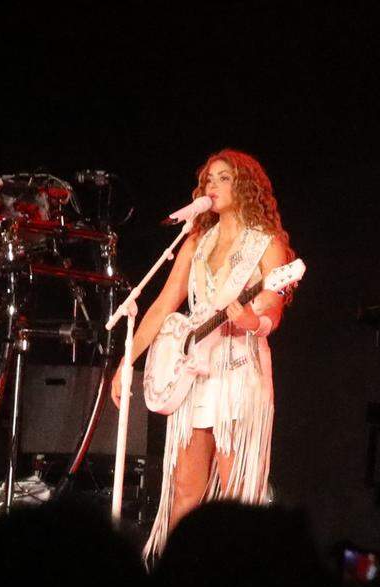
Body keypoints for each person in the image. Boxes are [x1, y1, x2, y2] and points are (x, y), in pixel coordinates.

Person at [111, 149, 296, 562]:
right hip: (195, 373)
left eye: (224, 178)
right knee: (184, 489)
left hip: (237, 371)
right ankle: (175, 577)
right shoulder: (196, 238)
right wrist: (128, 361)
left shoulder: (267, 244)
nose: (212, 186)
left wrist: (254, 321)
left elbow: (273, 306)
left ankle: (234, 585)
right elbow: (162, 305)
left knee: (236, 494)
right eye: (209, 179)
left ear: (245, 187)